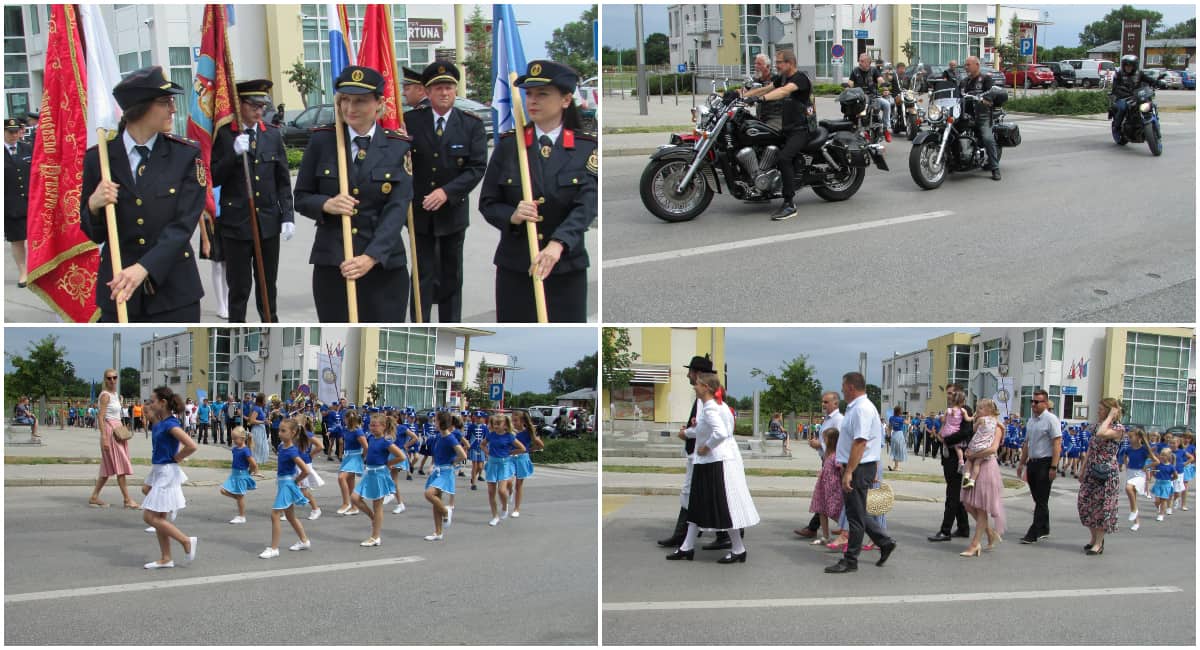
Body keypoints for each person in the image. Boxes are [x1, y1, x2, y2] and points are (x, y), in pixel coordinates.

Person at [81, 66, 204, 322]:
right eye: (165, 102)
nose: (173, 109)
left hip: (174, 292)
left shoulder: (185, 155)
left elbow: (182, 227)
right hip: (119, 290)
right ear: (140, 107)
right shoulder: (100, 159)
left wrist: (144, 268)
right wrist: (93, 205)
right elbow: (96, 234)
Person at [479, 60, 597, 322]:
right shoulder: (510, 146)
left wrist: (558, 243)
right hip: (517, 266)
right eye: (529, 94)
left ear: (566, 100)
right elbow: (488, 203)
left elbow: (587, 204)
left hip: (565, 267)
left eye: (543, 94)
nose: (533, 101)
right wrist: (512, 215)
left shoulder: (585, 148)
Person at [294, 65, 413, 322]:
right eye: (345, 100)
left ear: (379, 103)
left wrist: (370, 257)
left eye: (360, 101)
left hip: (384, 266)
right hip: (334, 262)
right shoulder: (322, 141)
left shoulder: (397, 146)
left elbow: (397, 209)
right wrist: (327, 204)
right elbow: (301, 197)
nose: (350, 108)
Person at [407, 61, 488, 323]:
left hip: (452, 212)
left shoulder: (470, 125)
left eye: (449, 88)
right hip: (419, 214)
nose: (444, 93)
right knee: (421, 275)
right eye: (438, 88)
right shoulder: (410, 122)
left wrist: (446, 192)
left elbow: (476, 168)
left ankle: (449, 325)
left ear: (456, 91)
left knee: (452, 276)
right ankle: (421, 324)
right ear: (427, 92)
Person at [211, 79, 294, 323]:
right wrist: (232, 154)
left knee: (268, 286)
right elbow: (213, 177)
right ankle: (236, 328)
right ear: (240, 104)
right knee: (239, 288)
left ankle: (270, 325)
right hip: (236, 224)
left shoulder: (272, 135)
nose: (259, 112)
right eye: (254, 106)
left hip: (268, 223)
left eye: (262, 106)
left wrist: (288, 215)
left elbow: (283, 180)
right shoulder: (226, 135)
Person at [667, 372, 759, 564]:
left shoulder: (710, 408)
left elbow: (720, 433)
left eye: (698, 384)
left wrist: (705, 446)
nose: (694, 387)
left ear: (707, 388)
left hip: (713, 461)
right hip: (715, 461)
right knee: (698, 505)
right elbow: (707, 429)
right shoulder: (719, 406)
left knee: (722, 507)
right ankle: (687, 546)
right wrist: (688, 433)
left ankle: (738, 548)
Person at [826, 372, 896, 573]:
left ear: (850, 387)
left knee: (854, 517)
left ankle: (850, 560)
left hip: (857, 468)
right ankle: (884, 542)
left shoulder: (862, 409)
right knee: (857, 511)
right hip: (859, 466)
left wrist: (849, 471)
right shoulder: (856, 408)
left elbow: (861, 442)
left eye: (843, 386)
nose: (841, 390)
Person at [741, 49, 813, 222]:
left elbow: (783, 92)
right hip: (787, 127)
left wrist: (761, 100)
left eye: (779, 62)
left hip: (801, 128)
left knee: (783, 158)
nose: (776, 65)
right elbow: (767, 88)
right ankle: (762, 185)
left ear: (789, 63)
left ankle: (789, 204)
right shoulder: (782, 78)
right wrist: (742, 96)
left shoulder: (800, 78)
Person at [659, 356, 715, 548]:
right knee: (703, 494)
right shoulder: (711, 396)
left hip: (699, 454)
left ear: (698, 374)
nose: (687, 375)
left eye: (690, 371)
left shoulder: (705, 398)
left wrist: (686, 433)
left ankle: (683, 535)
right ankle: (686, 534)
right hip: (701, 453)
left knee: (690, 493)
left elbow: (705, 428)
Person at [141, 387, 199, 569]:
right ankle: (166, 558)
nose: (150, 404)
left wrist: (177, 458)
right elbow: (150, 417)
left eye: (153, 401)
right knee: (159, 515)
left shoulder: (170, 424)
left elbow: (191, 445)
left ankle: (185, 541)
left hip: (166, 471)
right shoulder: (161, 421)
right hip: (159, 470)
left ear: (163, 403)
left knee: (149, 516)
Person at [1076, 399, 1125, 555]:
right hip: (1091, 469)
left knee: (1102, 507)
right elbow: (1091, 448)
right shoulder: (1096, 426)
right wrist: (1082, 469)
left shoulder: (1118, 428)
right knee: (1084, 503)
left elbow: (1102, 434)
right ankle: (1094, 537)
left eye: (1101, 409)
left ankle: (1098, 543)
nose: (1098, 411)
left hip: (1106, 472)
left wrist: (1111, 417)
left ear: (1110, 411)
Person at [259, 418, 313, 558]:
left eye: (283, 431)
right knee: (290, 516)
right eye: (279, 430)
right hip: (283, 483)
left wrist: (296, 481)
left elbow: (306, 470)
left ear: (293, 433)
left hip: (287, 485)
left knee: (275, 514)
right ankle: (304, 540)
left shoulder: (292, 451)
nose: (280, 433)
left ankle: (274, 548)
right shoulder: (283, 447)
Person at [958, 399, 1005, 557]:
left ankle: (975, 544)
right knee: (969, 504)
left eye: (980, 408)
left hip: (986, 466)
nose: (977, 410)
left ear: (989, 409)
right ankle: (989, 533)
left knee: (981, 506)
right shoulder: (981, 422)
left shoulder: (997, 426)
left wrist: (973, 455)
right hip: (973, 462)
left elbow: (993, 448)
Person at [351, 413, 407, 547]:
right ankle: (373, 518)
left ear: (383, 426)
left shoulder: (386, 441)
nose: (372, 427)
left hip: (379, 475)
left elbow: (401, 456)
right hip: (368, 473)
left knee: (378, 506)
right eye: (371, 425)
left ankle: (375, 537)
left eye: (375, 425)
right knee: (354, 498)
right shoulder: (371, 438)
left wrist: (388, 464)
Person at [795, 391, 845, 539]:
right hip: (826, 460)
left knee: (829, 498)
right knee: (822, 497)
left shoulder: (838, 420)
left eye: (826, 402)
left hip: (833, 461)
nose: (823, 405)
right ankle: (814, 528)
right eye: (822, 402)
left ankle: (847, 526)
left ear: (835, 403)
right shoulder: (827, 419)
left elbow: (838, 442)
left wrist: (820, 445)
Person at [928, 385, 973, 543]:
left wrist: (946, 440)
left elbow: (966, 432)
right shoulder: (950, 410)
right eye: (947, 393)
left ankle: (945, 530)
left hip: (957, 458)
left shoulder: (964, 409)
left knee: (952, 495)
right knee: (956, 495)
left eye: (951, 393)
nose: (948, 396)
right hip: (948, 457)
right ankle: (963, 527)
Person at [89, 369, 139, 509]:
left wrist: (123, 427)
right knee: (120, 466)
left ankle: (94, 496)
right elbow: (101, 417)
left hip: (117, 431)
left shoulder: (115, 394)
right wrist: (104, 437)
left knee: (107, 468)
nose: (112, 380)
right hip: (110, 432)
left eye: (114, 377)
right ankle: (127, 499)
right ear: (105, 379)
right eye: (109, 378)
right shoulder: (105, 395)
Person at [1018, 388, 1062, 544]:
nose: (1033, 405)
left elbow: (1057, 443)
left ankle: (1033, 532)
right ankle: (1044, 527)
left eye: (1037, 402)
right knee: (1038, 499)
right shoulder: (1031, 421)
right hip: (1033, 463)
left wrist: (1054, 467)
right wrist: (1021, 463)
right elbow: (1027, 444)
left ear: (1045, 403)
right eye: (1032, 401)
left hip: (1045, 462)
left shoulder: (1051, 419)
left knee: (1042, 499)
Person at [422, 411, 469, 541]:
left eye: (435, 420)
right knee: (435, 502)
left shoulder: (450, 438)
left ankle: (446, 511)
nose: (433, 423)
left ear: (441, 422)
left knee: (429, 494)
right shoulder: (438, 437)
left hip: (445, 472)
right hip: (437, 471)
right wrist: (432, 466)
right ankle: (438, 532)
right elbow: (437, 455)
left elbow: (463, 455)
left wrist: (453, 462)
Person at [957, 56, 1000, 181]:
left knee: (987, 138)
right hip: (966, 116)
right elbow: (957, 96)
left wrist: (986, 100)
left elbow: (992, 95)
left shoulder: (986, 79)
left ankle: (995, 168)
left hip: (983, 116)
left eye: (968, 65)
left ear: (977, 65)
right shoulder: (964, 82)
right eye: (965, 65)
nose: (966, 67)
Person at [483, 412, 526, 525]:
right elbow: (482, 445)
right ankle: (495, 516)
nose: (496, 426)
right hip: (492, 463)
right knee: (491, 492)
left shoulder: (509, 436)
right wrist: (487, 453)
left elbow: (522, 448)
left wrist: (511, 452)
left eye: (498, 424)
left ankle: (505, 506)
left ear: (505, 425)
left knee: (502, 490)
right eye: (494, 424)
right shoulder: (491, 435)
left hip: (504, 464)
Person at [5, 117, 32, 287]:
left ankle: (37, 268)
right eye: (10, 132)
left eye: (16, 132)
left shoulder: (27, 148)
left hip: (30, 202)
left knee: (36, 238)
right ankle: (23, 272)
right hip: (10, 204)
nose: (14, 135)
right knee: (17, 240)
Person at [808, 427, 844, 544]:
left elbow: (841, 469)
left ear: (832, 441)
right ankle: (825, 536)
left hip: (833, 488)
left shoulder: (837, 455)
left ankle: (848, 531)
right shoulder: (828, 455)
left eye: (825, 439)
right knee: (822, 511)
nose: (823, 442)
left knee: (833, 511)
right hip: (823, 488)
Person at [1108, 54, 1155, 141]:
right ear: (1123, 66)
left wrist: (1157, 82)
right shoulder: (1119, 75)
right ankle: (1117, 127)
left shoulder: (1139, 74)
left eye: (1130, 66)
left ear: (1134, 66)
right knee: (1122, 108)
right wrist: (1121, 93)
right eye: (1126, 65)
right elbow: (1115, 88)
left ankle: (1149, 122)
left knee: (1149, 103)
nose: (1128, 68)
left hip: (1137, 96)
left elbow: (1148, 80)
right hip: (1123, 97)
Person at [847, 53, 891, 142]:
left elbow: (880, 79)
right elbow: (850, 83)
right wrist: (847, 88)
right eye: (859, 60)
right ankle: (858, 129)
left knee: (886, 104)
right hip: (859, 98)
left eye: (862, 61)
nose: (859, 62)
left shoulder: (873, 70)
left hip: (873, 96)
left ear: (868, 63)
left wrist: (884, 87)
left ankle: (886, 129)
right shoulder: (855, 71)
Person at [219, 426, 258, 524]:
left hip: (241, 475)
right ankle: (239, 499)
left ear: (243, 438)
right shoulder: (235, 449)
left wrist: (250, 472)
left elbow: (253, 464)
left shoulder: (245, 450)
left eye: (236, 438)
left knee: (240, 497)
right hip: (234, 474)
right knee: (223, 490)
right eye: (233, 439)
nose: (234, 441)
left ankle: (241, 516)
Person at [510, 409, 544, 517]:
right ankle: (509, 492)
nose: (513, 423)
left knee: (518, 485)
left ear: (522, 421)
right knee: (507, 481)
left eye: (515, 421)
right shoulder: (510, 431)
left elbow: (540, 445)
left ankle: (516, 509)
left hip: (522, 459)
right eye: (512, 420)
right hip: (509, 458)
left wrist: (529, 449)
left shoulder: (528, 433)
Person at [336, 411, 369, 515]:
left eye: (345, 418)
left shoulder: (358, 431)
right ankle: (354, 507)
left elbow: (366, 447)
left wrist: (362, 457)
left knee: (341, 477)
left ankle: (346, 503)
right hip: (347, 457)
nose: (344, 420)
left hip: (355, 457)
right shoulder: (345, 430)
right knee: (350, 485)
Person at [748, 53, 782, 130]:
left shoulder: (776, 79)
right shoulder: (756, 81)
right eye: (755, 63)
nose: (756, 66)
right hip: (761, 117)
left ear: (768, 66)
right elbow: (747, 94)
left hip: (775, 118)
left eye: (759, 64)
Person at [1150, 448, 1178, 521]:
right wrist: (1154, 475)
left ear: (1169, 456)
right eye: (1161, 455)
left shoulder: (1171, 466)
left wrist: (1170, 480)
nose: (1162, 456)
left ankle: (1161, 514)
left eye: (1164, 455)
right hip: (1158, 483)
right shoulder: (1158, 464)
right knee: (1157, 500)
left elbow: (1176, 476)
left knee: (1164, 500)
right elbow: (1153, 471)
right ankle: (1160, 508)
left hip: (1166, 484)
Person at [247, 394, 269, 467]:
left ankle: (254, 468)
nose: (265, 402)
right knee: (256, 449)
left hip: (261, 430)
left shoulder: (259, 408)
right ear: (261, 401)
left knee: (259, 449)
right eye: (264, 400)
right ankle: (253, 468)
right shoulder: (257, 408)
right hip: (257, 430)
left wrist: (265, 421)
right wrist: (263, 422)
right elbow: (252, 421)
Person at [887, 407, 907, 472]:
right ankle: (896, 466)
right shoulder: (901, 419)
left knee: (895, 450)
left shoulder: (891, 418)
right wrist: (909, 416)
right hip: (899, 434)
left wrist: (889, 435)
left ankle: (895, 465)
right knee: (899, 450)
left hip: (894, 434)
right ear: (899, 412)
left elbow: (889, 427)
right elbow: (908, 422)